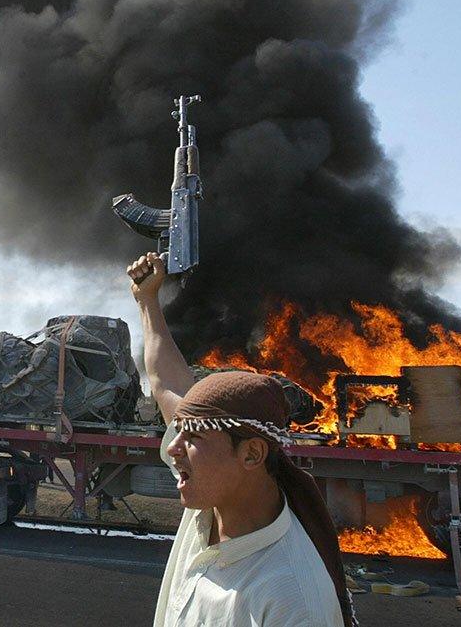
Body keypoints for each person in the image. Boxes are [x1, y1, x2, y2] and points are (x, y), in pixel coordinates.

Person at [127, 253, 354, 627]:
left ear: (251, 454)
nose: (171, 447)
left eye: (193, 436)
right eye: (178, 431)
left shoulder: (292, 599)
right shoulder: (211, 500)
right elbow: (165, 382)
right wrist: (147, 300)